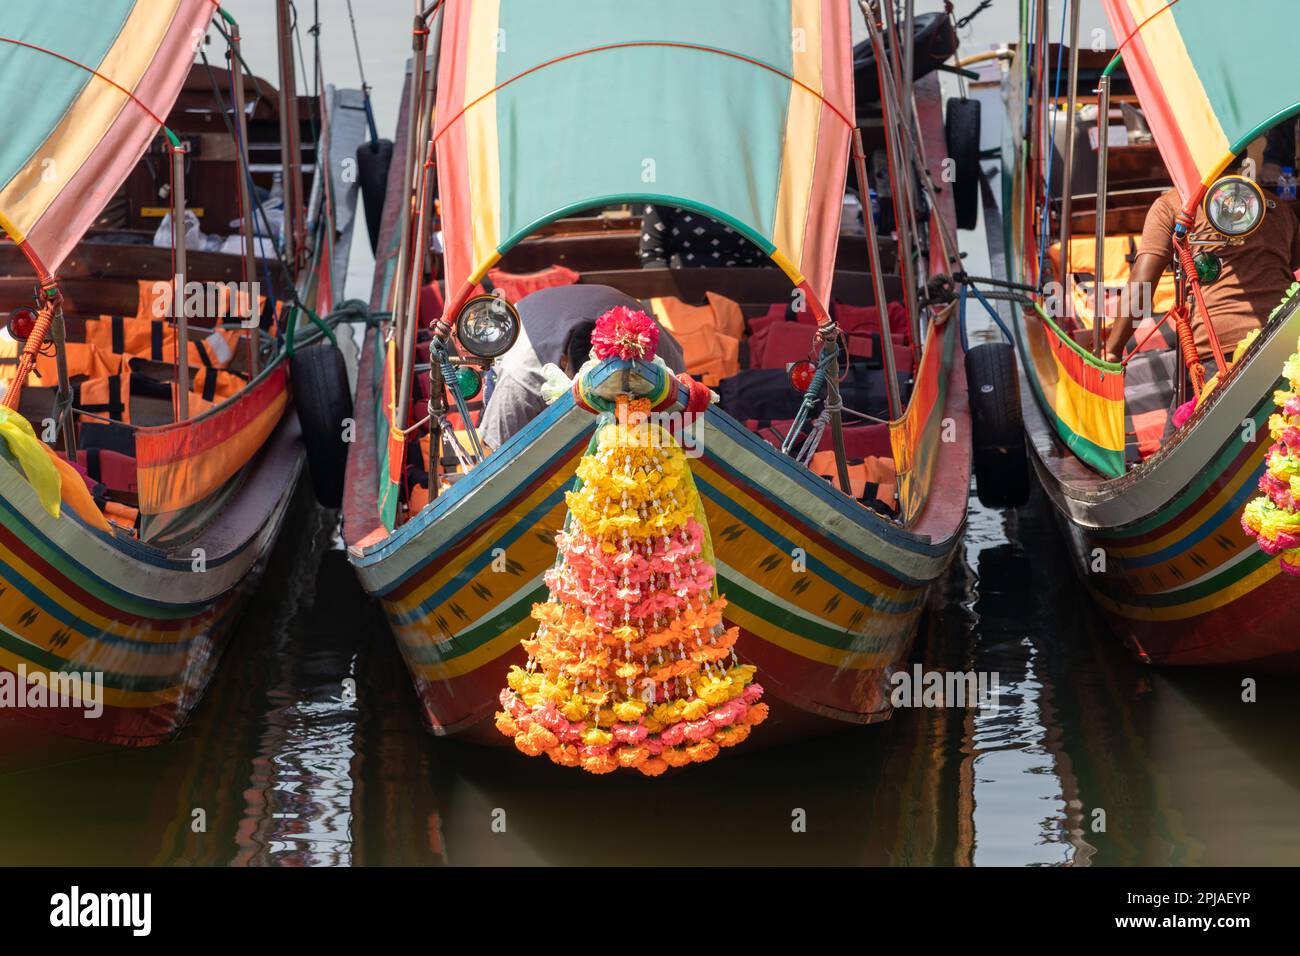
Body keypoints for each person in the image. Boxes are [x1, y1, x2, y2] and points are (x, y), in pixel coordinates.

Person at [1103, 178, 1300, 372]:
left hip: (1217, 350)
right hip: (1286, 341)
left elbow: (1141, 286)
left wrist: (1112, 350)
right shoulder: (1278, 206)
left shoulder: (1174, 204)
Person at [478, 284, 685, 450]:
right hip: (522, 329)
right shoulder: (522, 379)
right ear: (564, 362)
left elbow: (683, 440)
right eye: (596, 399)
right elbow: (493, 452)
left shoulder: (658, 358)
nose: (601, 406)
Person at [639, 204, 767, 269]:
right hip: (680, 295)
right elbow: (651, 255)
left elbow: (770, 253)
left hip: (747, 290)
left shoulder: (748, 185)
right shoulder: (666, 191)